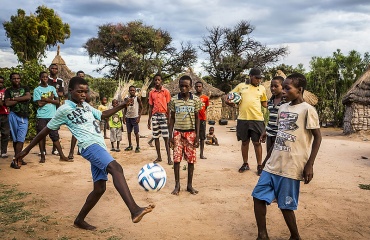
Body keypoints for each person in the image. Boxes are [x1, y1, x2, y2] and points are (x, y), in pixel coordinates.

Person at [15, 76, 155, 230]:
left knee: (99, 188)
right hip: (89, 146)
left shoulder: (86, 106)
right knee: (116, 168)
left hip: (99, 146)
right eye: (79, 91)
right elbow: (45, 130)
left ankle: (79, 220)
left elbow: (104, 115)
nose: (83, 94)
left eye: (85, 91)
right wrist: (26, 150)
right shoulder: (64, 109)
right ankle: (134, 210)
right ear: (70, 91)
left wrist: (123, 104)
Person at [252, 73, 322, 240]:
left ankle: (295, 236)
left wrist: (310, 165)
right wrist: (265, 160)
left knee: (286, 205)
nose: (283, 91)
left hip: (292, 165)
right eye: (282, 87)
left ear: (300, 90)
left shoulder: (308, 110)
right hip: (274, 162)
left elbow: (318, 137)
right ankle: (262, 235)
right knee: (258, 196)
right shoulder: (282, 108)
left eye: (287, 88)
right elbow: (278, 136)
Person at [226, 68, 267, 175]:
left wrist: (275, 107)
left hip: (257, 119)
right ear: (251, 76)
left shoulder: (262, 88)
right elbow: (229, 96)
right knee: (244, 142)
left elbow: (264, 103)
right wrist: (229, 101)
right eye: (257, 78)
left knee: (257, 143)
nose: (259, 80)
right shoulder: (241, 86)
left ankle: (259, 166)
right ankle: (245, 164)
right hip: (243, 119)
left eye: (260, 78)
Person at [168, 75, 202, 195]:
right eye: (181, 86)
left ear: (191, 87)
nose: (183, 88)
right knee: (176, 160)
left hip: (191, 133)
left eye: (186, 86)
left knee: (191, 160)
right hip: (177, 132)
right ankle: (177, 185)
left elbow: (198, 118)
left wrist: (197, 136)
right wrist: (170, 136)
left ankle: (189, 185)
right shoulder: (173, 100)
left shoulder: (196, 100)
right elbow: (171, 118)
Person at [33, 71, 70, 163]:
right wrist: (50, 99)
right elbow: (39, 104)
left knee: (55, 136)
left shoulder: (52, 88)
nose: (45, 78)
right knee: (41, 136)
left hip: (52, 116)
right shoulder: (37, 90)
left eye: (46, 77)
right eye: (43, 77)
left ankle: (61, 155)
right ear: (40, 78)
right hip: (41, 116)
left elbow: (57, 102)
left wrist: (45, 99)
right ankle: (42, 155)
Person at [259, 76, 286, 174]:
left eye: (276, 86)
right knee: (271, 157)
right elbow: (271, 119)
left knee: (276, 157)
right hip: (270, 134)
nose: (273, 88)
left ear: (282, 87)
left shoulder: (286, 102)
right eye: (271, 86)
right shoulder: (270, 101)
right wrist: (265, 131)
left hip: (280, 135)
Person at [5, 73, 31, 169]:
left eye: (18, 78)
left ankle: (16, 159)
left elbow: (28, 97)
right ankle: (18, 157)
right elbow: (7, 103)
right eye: (14, 78)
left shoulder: (25, 88)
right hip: (13, 115)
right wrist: (21, 99)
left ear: (20, 79)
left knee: (21, 138)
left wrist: (14, 99)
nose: (16, 80)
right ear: (11, 80)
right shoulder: (8, 90)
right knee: (15, 139)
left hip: (23, 116)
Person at [147, 74, 173, 165]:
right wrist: (149, 119)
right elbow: (150, 107)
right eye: (155, 80)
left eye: (159, 80)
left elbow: (169, 106)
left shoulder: (166, 92)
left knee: (166, 137)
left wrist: (169, 118)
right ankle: (159, 157)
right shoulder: (151, 93)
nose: (157, 81)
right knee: (156, 137)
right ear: (154, 81)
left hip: (163, 115)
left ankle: (169, 158)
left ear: (161, 81)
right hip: (155, 116)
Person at [68, 70, 90, 160]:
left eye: (83, 76)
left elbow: (88, 99)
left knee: (82, 130)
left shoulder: (85, 87)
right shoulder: (73, 87)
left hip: (83, 109)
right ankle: (71, 152)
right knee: (75, 132)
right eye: (80, 76)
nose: (81, 77)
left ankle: (79, 149)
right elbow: (70, 99)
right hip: (74, 110)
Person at [48, 63, 65, 156]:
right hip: (46, 106)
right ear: (49, 69)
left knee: (55, 128)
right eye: (52, 68)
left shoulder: (60, 81)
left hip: (56, 107)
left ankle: (54, 149)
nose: (54, 70)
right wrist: (56, 93)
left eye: (56, 68)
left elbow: (62, 94)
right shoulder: (46, 79)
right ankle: (42, 150)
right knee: (43, 128)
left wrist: (52, 94)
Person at [123, 86, 143, 153]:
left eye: (133, 90)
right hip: (128, 117)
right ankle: (130, 145)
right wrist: (124, 117)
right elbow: (125, 108)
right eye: (131, 90)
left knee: (136, 132)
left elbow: (141, 108)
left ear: (135, 91)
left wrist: (139, 117)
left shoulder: (137, 98)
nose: (132, 91)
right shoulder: (126, 99)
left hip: (135, 118)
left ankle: (137, 146)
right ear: (129, 91)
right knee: (129, 132)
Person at [194, 81, 209, 159]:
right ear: (194, 87)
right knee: (193, 136)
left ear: (202, 87)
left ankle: (201, 154)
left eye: (199, 86)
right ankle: (193, 154)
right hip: (193, 120)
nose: (198, 88)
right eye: (196, 86)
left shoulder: (205, 98)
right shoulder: (192, 97)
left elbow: (205, 107)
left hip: (202, 119)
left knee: (202, 137)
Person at [0, 76, 10, 158]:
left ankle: (3, 151)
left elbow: (6, 103)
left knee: (5, 133)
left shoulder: (6, 91)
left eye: (2, 82)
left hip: (4, 114)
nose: (0, 84)